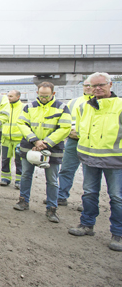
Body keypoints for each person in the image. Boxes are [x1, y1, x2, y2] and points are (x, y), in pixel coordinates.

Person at [69, 72, 122, 251]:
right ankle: (87, 224)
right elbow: (80, 128)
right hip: (89, 158)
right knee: (90, 192)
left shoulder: (120, 106)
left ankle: (118, 233)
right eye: (94, 86)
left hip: (115, 160)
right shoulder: (84, 107)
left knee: (116, 197)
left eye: (101, 85)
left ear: (110, 85)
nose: (97, 88)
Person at [14, 82, 71, 224]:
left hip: (52, 148)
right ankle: (23, 201)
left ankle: (52, 207)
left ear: (53, 94)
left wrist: (46, 142)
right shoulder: (30, 106)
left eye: (46, 96)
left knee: (52, 180)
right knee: (26, 175)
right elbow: (22, 123)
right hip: (30, 146)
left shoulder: (62, 108)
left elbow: (65, 128)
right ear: (37, 93)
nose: (43, 98)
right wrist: (35, 140)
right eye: (41, 95)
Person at [56, 80, 93, 209]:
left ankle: (88, 203)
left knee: (91, 174)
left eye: (91, 85)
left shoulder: (101, 103)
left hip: (92, 143)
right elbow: (66, 119)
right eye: (86, 85)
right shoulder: (74, 102)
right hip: (73, 141)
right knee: (66, 169)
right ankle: (60, 196)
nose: (88, 87)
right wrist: (68, 132)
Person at [0, 90, 24, 190]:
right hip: (6, 138)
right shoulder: (5, 106)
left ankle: (19, 180)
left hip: (19, 139)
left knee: (19, 160)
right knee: (5, 159)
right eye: (8, 96)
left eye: (11, 96)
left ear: (18, 97)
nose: (8, 98)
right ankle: (5, 178)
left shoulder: (23, 107)